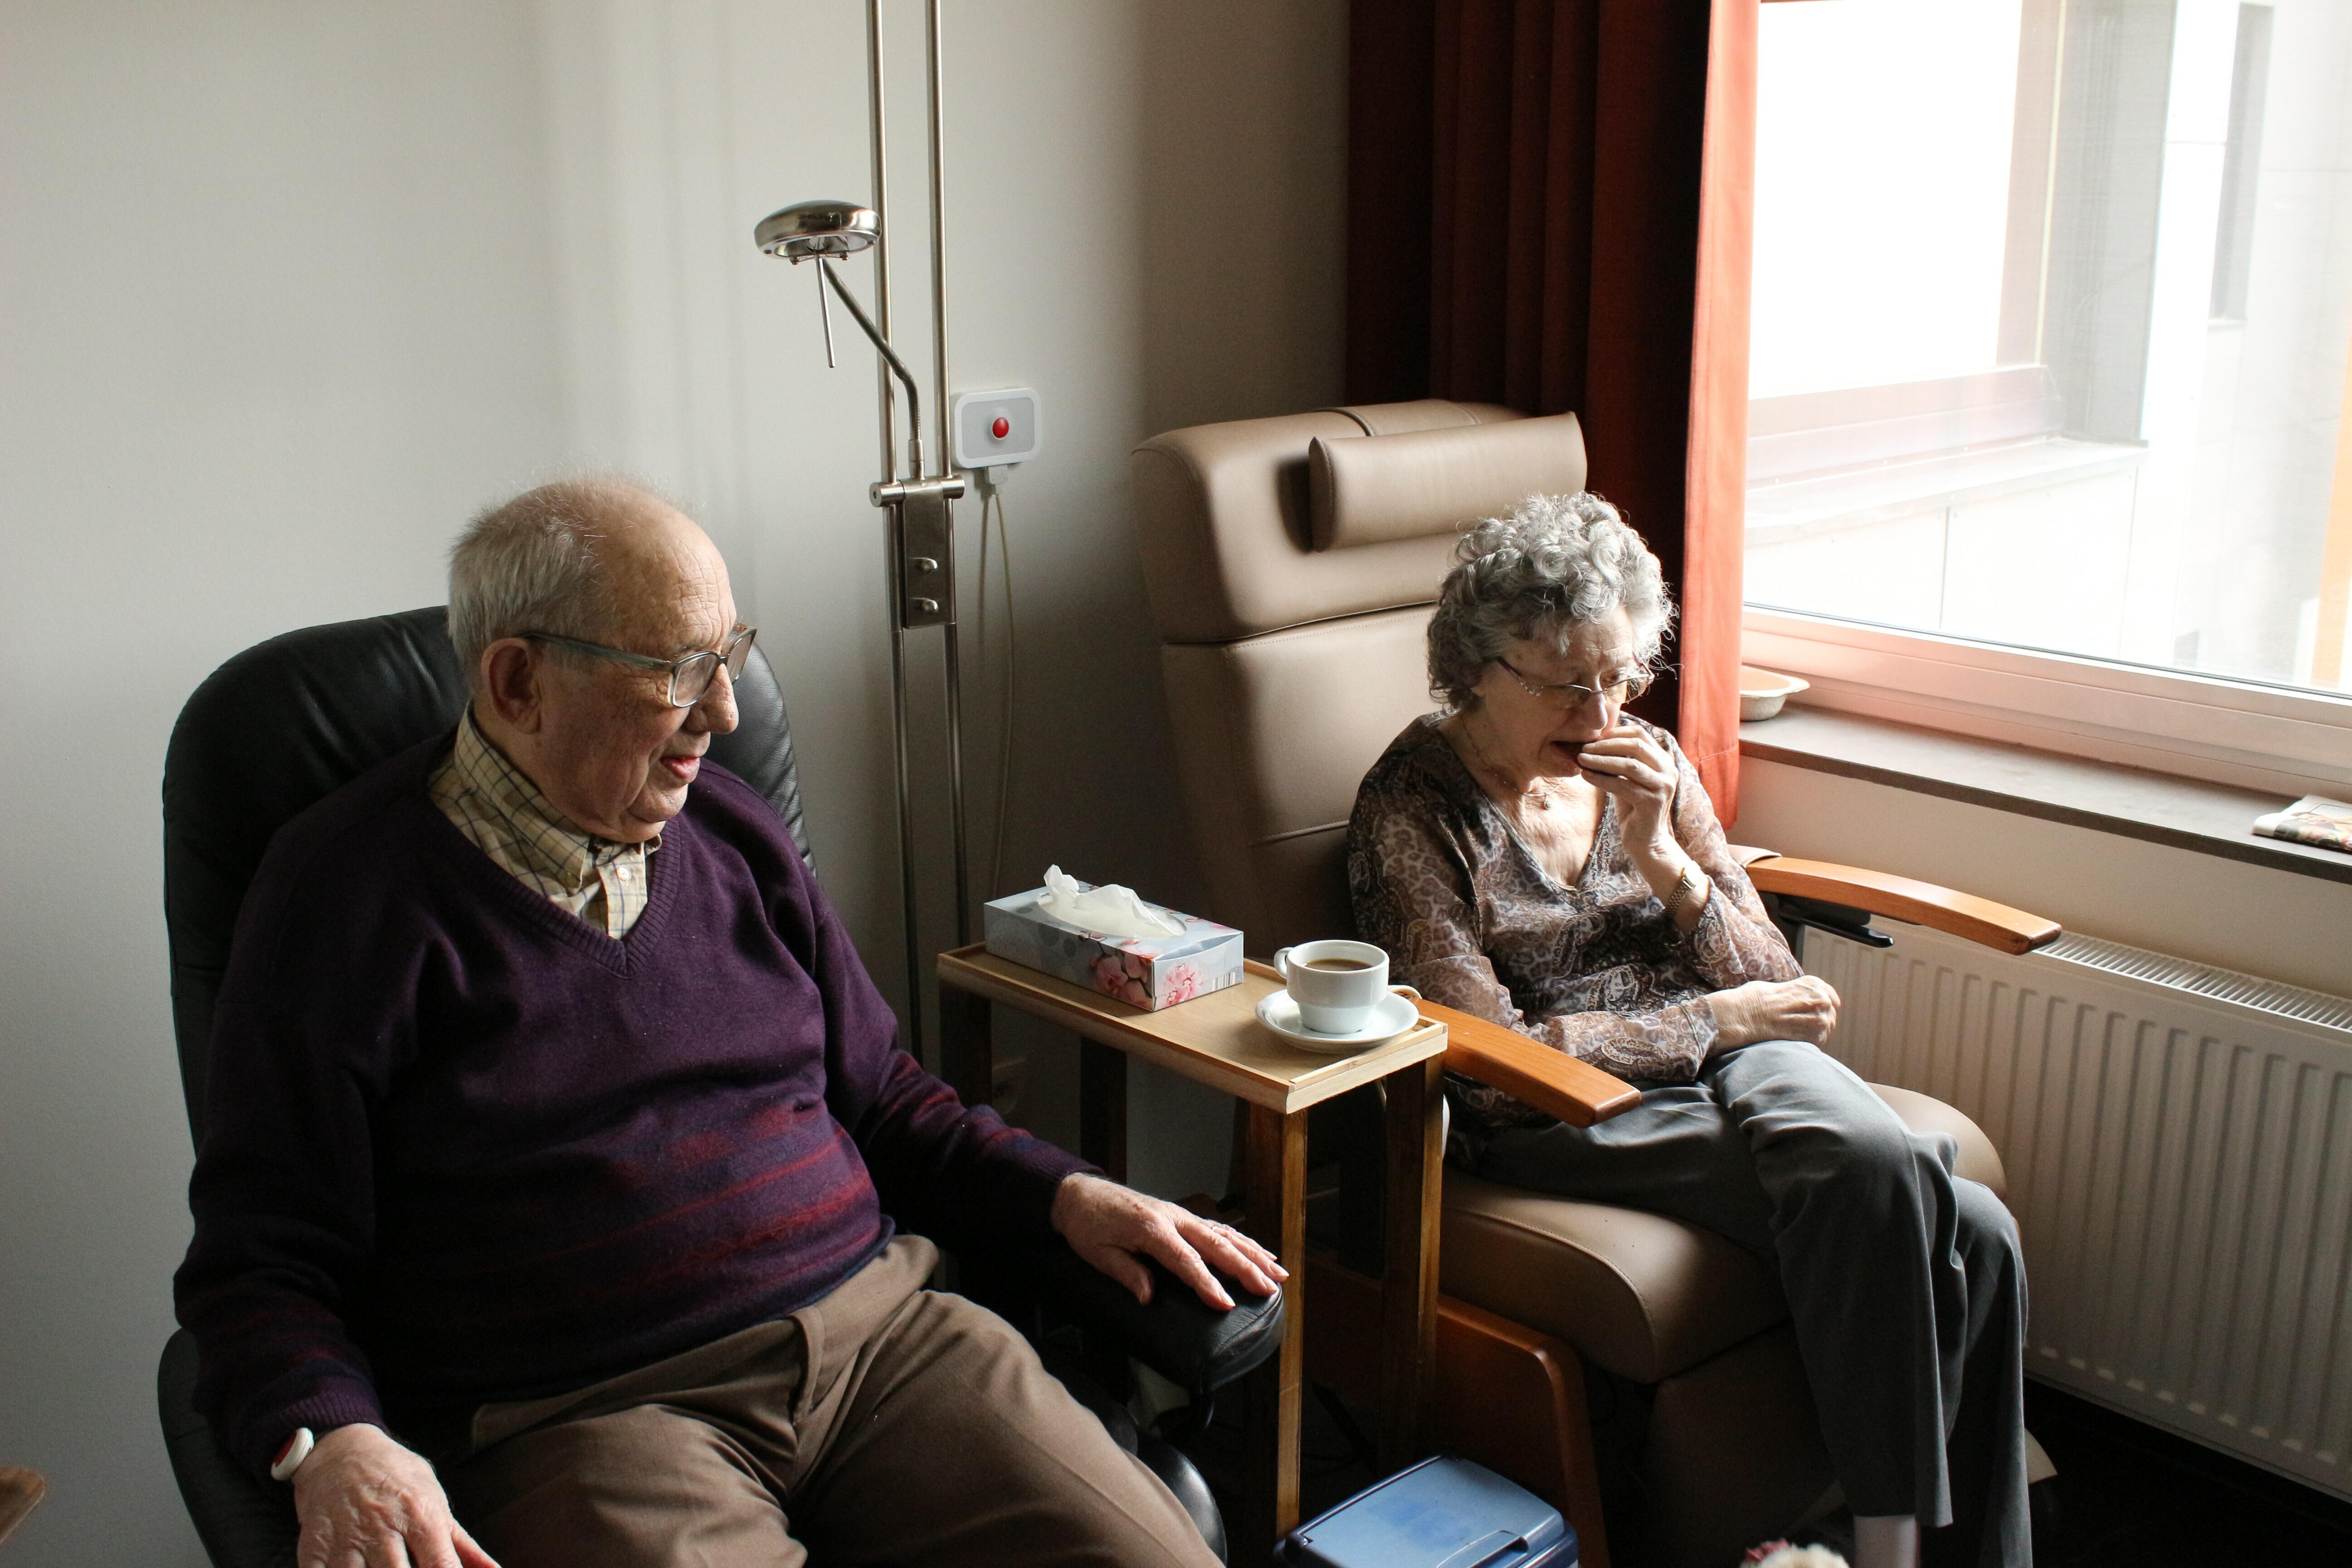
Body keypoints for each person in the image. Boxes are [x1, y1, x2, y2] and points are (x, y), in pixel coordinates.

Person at [176, 478, 1282, 1568]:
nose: (725, 712)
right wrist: (334, 1441)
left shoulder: (731, 833)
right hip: (592, 1421)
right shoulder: (344, 900)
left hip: (886, 1345)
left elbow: (886, 1097)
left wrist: (1061, 1193)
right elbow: (261, 1262)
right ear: (518, 682)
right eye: (677, 671)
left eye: (729, 654)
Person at [1346, 493, 2029, 1568]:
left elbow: (1780, 986)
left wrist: (1664, 859)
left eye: (1619, 675)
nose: (1602, 710)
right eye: (1566, 683)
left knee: (1895, 1177)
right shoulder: (1412, 808)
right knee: (1971, 1228)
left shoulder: (1649, 759)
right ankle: (1895, 1550)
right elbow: (1487, 1066)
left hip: (1741, 1054)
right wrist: (1710, 1019)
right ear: (1476, 667)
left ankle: (1893, 1549)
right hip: (1571, 1107)